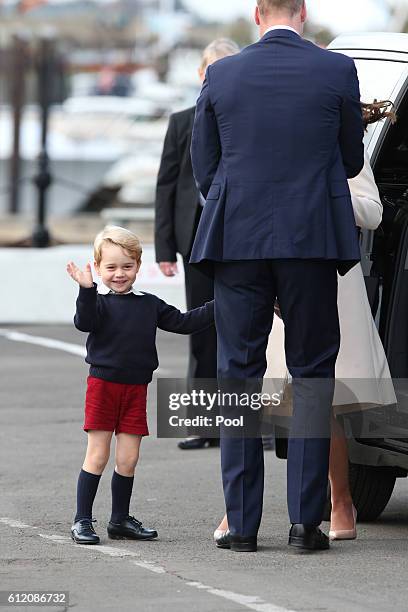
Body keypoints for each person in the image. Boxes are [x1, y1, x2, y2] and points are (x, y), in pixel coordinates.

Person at [190, 0, 364, 553]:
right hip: (311, 237)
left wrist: (239, 200)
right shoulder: (336, 70)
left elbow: (204, 162)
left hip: (237, 240)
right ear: (304, 13)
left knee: (237, 375)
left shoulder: (222, 72)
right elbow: (353, 159)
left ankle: (241, 526)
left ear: (257, 13)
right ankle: (305, 524)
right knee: (312, 373)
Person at [213, 100, 398, 544]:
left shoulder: (343, 152)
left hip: (330, 280)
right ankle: (236, 510)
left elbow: (373, 212)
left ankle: (339, 500)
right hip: (274, 279)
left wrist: (328, 193)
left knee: (321, 397)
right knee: (267, 392)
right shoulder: (272, 151)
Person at [67, 226, 214, 545]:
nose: (119, 273)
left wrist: (224, 303)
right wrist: (86, 289)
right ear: (98, 267)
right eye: (111, 267)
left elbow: (184, 322)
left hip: (136, 390)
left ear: (138, 265)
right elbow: (85, 322)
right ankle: (82, 520)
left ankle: (119, 520)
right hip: (103, 388)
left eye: (127, 266)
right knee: (97, 455)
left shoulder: (149, 304)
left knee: (129, 459)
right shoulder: (98, 303)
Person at [155, 39, 240, 451]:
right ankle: (205, 424)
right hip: (195, 240)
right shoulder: (181, 121)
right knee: (201, 330)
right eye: (213, 69)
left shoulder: (247, 118)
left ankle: (244, 425)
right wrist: (162, 247)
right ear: (201, 73)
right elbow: (166, 185)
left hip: (240, 239)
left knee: (243, 332)